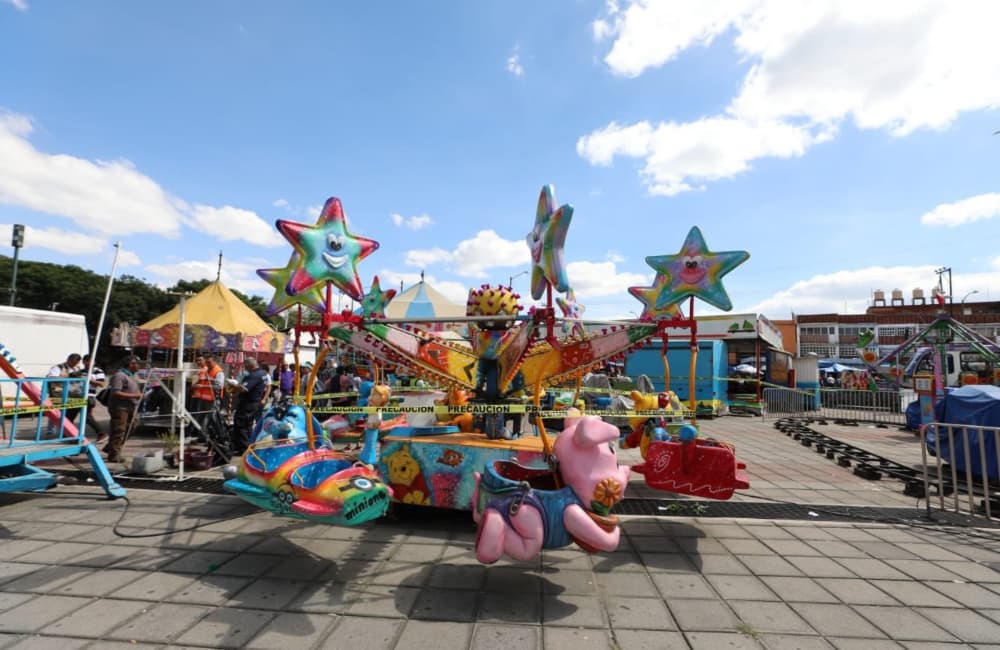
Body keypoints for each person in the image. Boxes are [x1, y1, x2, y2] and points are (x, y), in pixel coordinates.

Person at [105, 355, 143, 463]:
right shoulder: (120, 376)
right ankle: (114, 455)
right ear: (131, 364)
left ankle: (111, 447)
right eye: (137, 364)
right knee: (119, 430)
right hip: (120, 407)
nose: (139, 366)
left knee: (132, 425)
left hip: (130, 406)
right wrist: (135, 396)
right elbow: (116, 392)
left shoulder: (131, 376)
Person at [229, 357, 269, 455]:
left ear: (250, 366)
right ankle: (249, 445)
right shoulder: (263, 373)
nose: (245, 369)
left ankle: (243, 449)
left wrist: (234, 385)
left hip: (248, 403)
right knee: (248, 425)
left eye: (246, 367)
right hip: (254, 403)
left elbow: (244, 389)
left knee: (241, 424)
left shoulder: (254, 375)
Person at [45, 353, 83, 437]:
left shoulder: (77, 368)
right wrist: (68, 377)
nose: (74, 364)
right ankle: (50, 432)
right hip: (58, 393)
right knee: (56, 412)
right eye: (73, 362)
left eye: (76, 363)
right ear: (68, 359)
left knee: (69, 414)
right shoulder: (58, 367)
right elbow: (51, 378)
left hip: (73, 394)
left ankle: (65, 432)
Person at [190, 353, 224, 437]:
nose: (207, 364)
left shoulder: (218, 372)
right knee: (200, 419)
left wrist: (203, 386)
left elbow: (219, 386)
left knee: (210, 420)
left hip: (213, 400)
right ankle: (201, 437)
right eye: (207, 362)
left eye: (209, 362)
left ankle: (209, 438)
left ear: (214, 361)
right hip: (203, 399)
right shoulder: (206, 370)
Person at [81, 354, 106, 441]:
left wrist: (89, 380)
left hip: (89, 396)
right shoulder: (81, 371)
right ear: (83, 362)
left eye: (91, 361)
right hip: (78, 396)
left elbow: (101, 384)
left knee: (87, 417)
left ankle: (102, 433)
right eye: (87, 361)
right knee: (71, 416)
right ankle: (72, 435)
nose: (89, 363)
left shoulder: (98, 371)